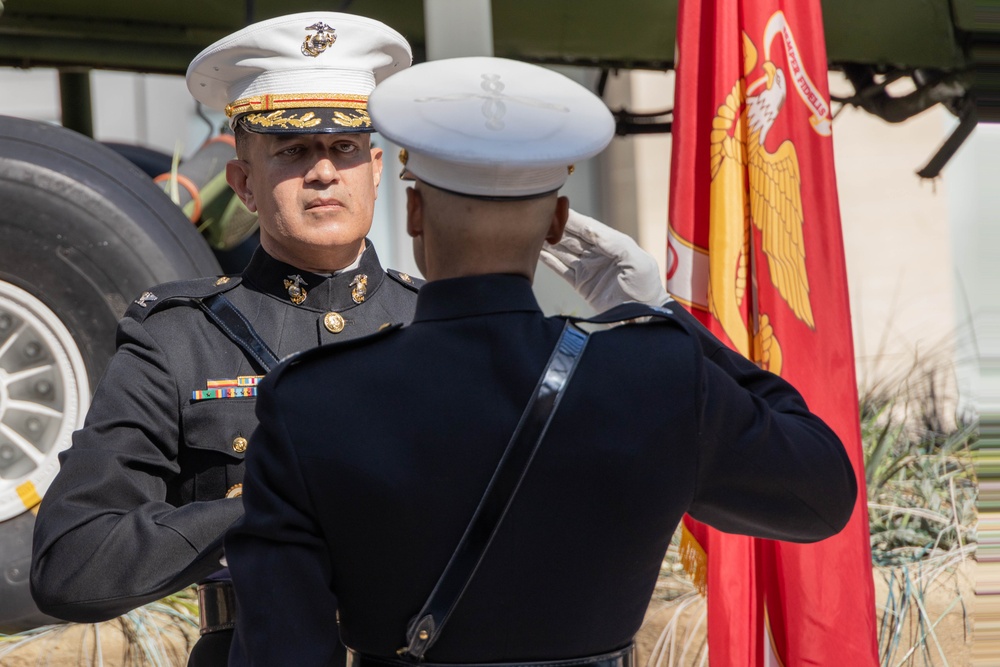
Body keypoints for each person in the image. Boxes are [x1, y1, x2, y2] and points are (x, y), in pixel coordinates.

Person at [224, 56, 857, 667]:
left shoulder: (315, 401)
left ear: (414, 213)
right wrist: (663, 313)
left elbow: (284, 647)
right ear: (557, 221)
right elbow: (821, 492)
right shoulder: (656, 376)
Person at [29, 11, 417, 666]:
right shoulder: (180, 339)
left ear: (376, 169)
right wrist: (259, 509)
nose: (324, 171)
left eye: (344, 148)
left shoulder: (433, 324)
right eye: (294, 151)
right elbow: (71, 564)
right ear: (244, 184)